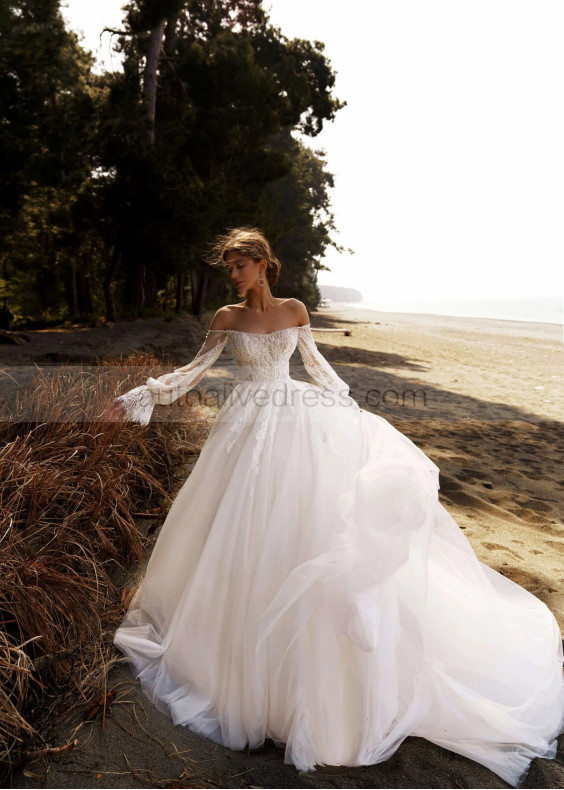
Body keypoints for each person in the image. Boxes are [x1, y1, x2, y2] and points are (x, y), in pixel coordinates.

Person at [104, 227, 564, 788]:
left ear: (264, 265)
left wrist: (346, 405)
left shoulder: (295, 310)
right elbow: (195, 370)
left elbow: (315, 364)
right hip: (247, 425)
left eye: (241, 265)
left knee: (301, 523)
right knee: (239, 527)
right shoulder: (226, 317)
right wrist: (149, 393)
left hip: (294, 419)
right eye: (229, 267)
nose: (234, 274)